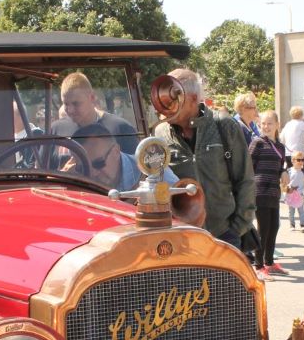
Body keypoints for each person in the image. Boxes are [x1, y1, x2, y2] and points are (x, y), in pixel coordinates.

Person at [154, 68, 255, 247]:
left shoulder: (224, 126)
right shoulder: (160, 133)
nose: (166, 105)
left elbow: (245, 179)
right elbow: (158, 183)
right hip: (182, 238)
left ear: (194, 99)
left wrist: (236, 229)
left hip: (224, 235)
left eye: (173, 97)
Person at [71, 122, 177, 191]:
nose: (92, 173)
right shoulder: (74, 181)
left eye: (98, 163)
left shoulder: (152, 172)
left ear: (116, 151)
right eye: (83, 167)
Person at [52, 73, 138, 155]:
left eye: (76, 104)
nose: (70, 110)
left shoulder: (121, 129)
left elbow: (133, 164)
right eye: (66, 104)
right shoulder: (56, 130)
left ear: (92, 98)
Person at [249, 111, 288, 277]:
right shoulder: (257, 142)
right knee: (263, 228)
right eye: (263, 123)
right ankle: (258, 266)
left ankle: (269, 262)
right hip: (260, 191)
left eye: (269, 123)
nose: (266, 127)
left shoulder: (280, 146)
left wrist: (284, 172)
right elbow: (248, 166)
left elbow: (281, 166)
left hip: (274, 191)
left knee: (274, 227)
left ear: (277, 125)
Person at [285, 152, 304, 231]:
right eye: (298, 160)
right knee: (291, 211)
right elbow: (285, 182)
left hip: (300, 194)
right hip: (290, 194)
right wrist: (287, 189)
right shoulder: (289, 171)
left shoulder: (303, 171)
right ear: (293, 161)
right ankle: (292, 225)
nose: (301, 162)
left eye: (302, 160)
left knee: (301, 211)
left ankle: (302, 225)